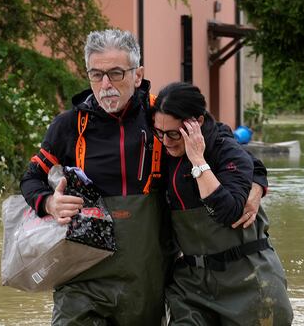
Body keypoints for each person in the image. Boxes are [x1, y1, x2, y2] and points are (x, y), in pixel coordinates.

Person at [20, 29, 267, 325]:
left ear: (138, 75)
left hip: (147, 279)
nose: (105, 85)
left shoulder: (162, 116)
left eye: (116, 73)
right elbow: (31, 178)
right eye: (96, 75)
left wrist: (257, 186)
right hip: (82, 277)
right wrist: (49, 203)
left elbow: (232, 151)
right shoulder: (69, 125)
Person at [152, 82, 294, 325]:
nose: (165, 141)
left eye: (174, 134)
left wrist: (197, 161)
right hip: (192, 285)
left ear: (196, 122)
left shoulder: (226, 150)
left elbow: (228, 212)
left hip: (249, 281)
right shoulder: (165, 152)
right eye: (159, 132)